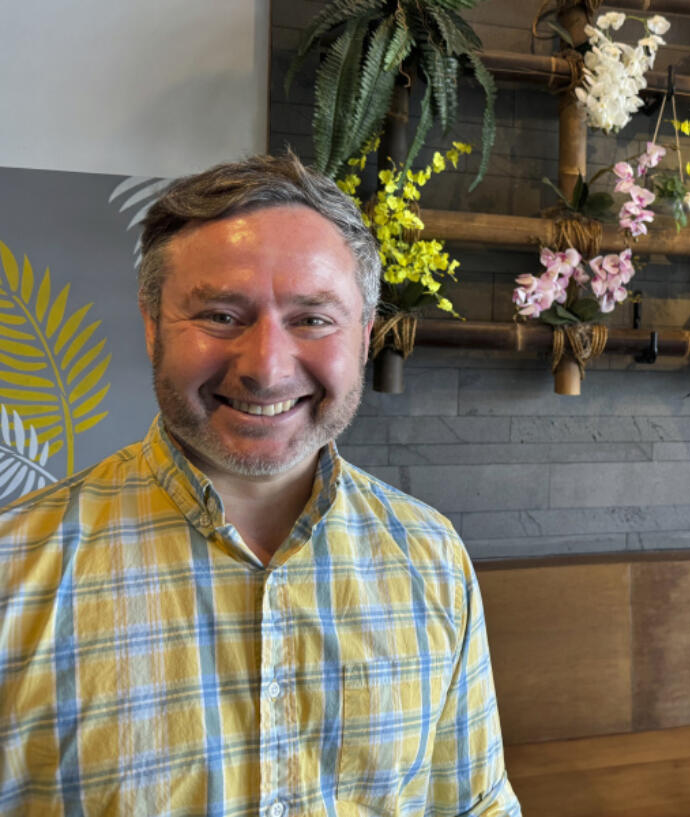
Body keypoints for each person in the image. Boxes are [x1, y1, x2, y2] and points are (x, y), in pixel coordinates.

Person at [0, 154, 521, 816]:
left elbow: (474, 806)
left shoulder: (432, 557)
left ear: (363, 335)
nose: (268, 370)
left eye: (312, 319)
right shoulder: (14, 568)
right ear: (153, 323)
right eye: (221, 315)